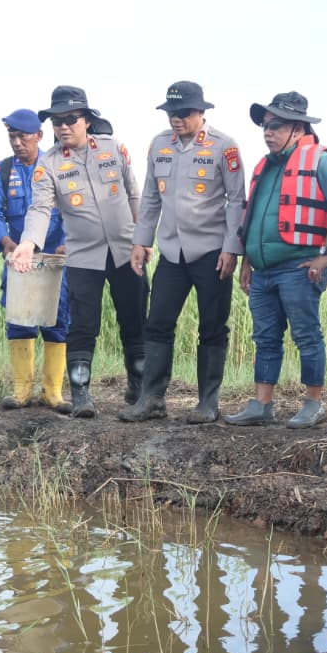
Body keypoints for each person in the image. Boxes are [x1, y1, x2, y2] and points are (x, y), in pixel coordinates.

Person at [10, 86, 147, 418]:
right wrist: (28, 243)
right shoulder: (49, 164)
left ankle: (140, 387)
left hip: (127, 251)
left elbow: (134, 196)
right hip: (84, 257)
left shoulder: (115, 149)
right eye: (57, 121)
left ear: (86, 120)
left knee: (135, 320)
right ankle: (82, 393)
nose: (63, 127)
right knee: (83, 324)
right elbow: (40, 208)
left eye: (70, 119)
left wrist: (143, 240)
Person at [120, 81, 246, 424]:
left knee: (212, 327)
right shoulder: (159, 145)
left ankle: (208, 401)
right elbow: (149, 198)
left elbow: (237, 200)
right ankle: (152, 398)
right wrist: (141, 241)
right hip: (172, 252)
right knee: (157, 322)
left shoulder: (225, 147)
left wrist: (232, 248)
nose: (176, 119)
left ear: (201, 113)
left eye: (184, 113)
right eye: (171, 113)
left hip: (211, 252)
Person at [223, 92, 327, 429]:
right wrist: (247, 263)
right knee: (264, 337)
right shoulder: (265, 165)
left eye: (275, 125)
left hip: (299, 266)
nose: (267, 132)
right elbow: (251, 218)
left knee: (306, 335)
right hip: (263, 271)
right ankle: (262, 404)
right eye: (265, 125)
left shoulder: (318, 158)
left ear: (297, 127)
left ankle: (313, 403)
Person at [0, 109, 70, 412]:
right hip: (18, 260)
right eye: (12, 136)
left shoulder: (58, 166)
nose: (17, 142)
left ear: (40, 136)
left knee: (58, 320)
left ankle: (53, 392)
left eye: (23, 136)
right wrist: (5, 242)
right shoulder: (2, 171)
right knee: (19, 318)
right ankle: (22, 391)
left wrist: (66, 244)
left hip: (55, 261)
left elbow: (75, 210)